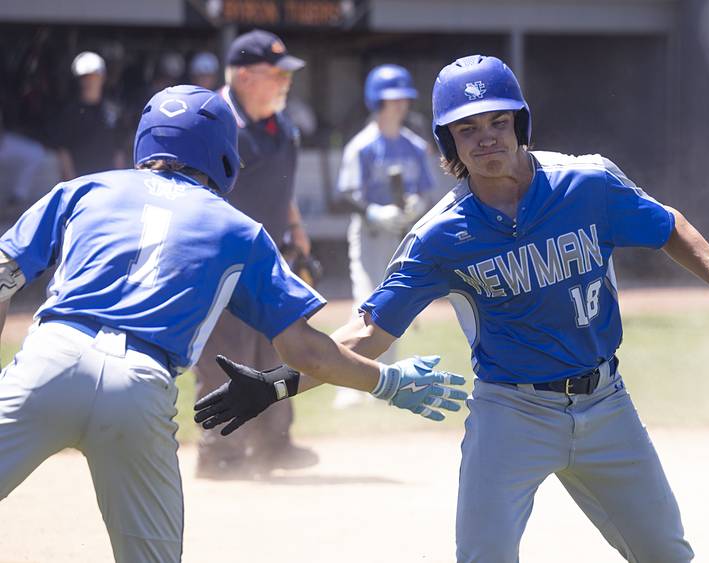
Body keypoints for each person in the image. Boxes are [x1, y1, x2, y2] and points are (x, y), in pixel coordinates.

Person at [199, 55, 709, 562]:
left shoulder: (588, 183)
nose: (487, 138)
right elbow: (369, 333)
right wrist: (277, 384)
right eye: (467, 128)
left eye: (499, 121)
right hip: (510, 415)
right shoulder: (440, 237)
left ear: (519, 124)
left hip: (607, 406)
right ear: (447, 141)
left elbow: (666, 223)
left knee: (665, 554)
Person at [0, 84, 467, 563]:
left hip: (48, 360)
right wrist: (387, 380)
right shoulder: (238, 229)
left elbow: (2, 277)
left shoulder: (83, 189)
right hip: (139, 384)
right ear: (224, 153)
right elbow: (306, 352)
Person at [193, 29, 316, 480]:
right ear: (244, 75)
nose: (286, 81)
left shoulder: (282, 125)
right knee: (226, 357)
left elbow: (281, 189)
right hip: (220, 261)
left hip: (269, 258)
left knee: (278, 352)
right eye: (276, 73)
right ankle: (220, 454)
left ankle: (274, 445)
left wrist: (297, 229)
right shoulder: (210, 122)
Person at [333, 64, 436, 408]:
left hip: (402, 235)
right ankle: (348, 382)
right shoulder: (361, 146)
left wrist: (413, 208)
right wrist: (375, 211)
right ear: (377, 100)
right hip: (370, 233)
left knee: (398, 305)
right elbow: (347, 194)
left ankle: (390, 380)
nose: (400, 105)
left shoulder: (414, 145)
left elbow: (425, 190)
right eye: (393, 98)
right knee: (366, 302)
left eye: (404, 98)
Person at [50, 51, 125, 180]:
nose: (89, 82)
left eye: (94, 77)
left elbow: (119, 148)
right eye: (84, 77)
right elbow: (63, 149)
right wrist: (71, 181)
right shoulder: (69, 112)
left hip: (107, 181)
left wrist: (119, 179)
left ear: (103, 78)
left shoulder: (112, 111)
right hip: (79, 181)